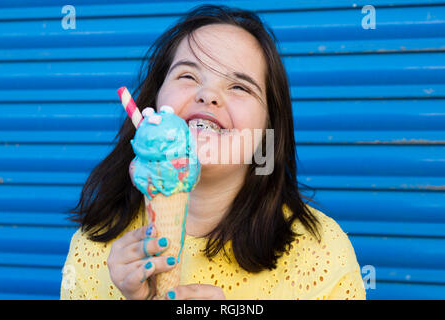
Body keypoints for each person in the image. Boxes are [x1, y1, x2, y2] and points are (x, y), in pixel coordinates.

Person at [60, 4, 366, 300]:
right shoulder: (93, 248)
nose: (208, 95)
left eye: (239, 87)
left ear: (267, 131)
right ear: (153, 101)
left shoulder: (322, 254)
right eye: (188, 76)